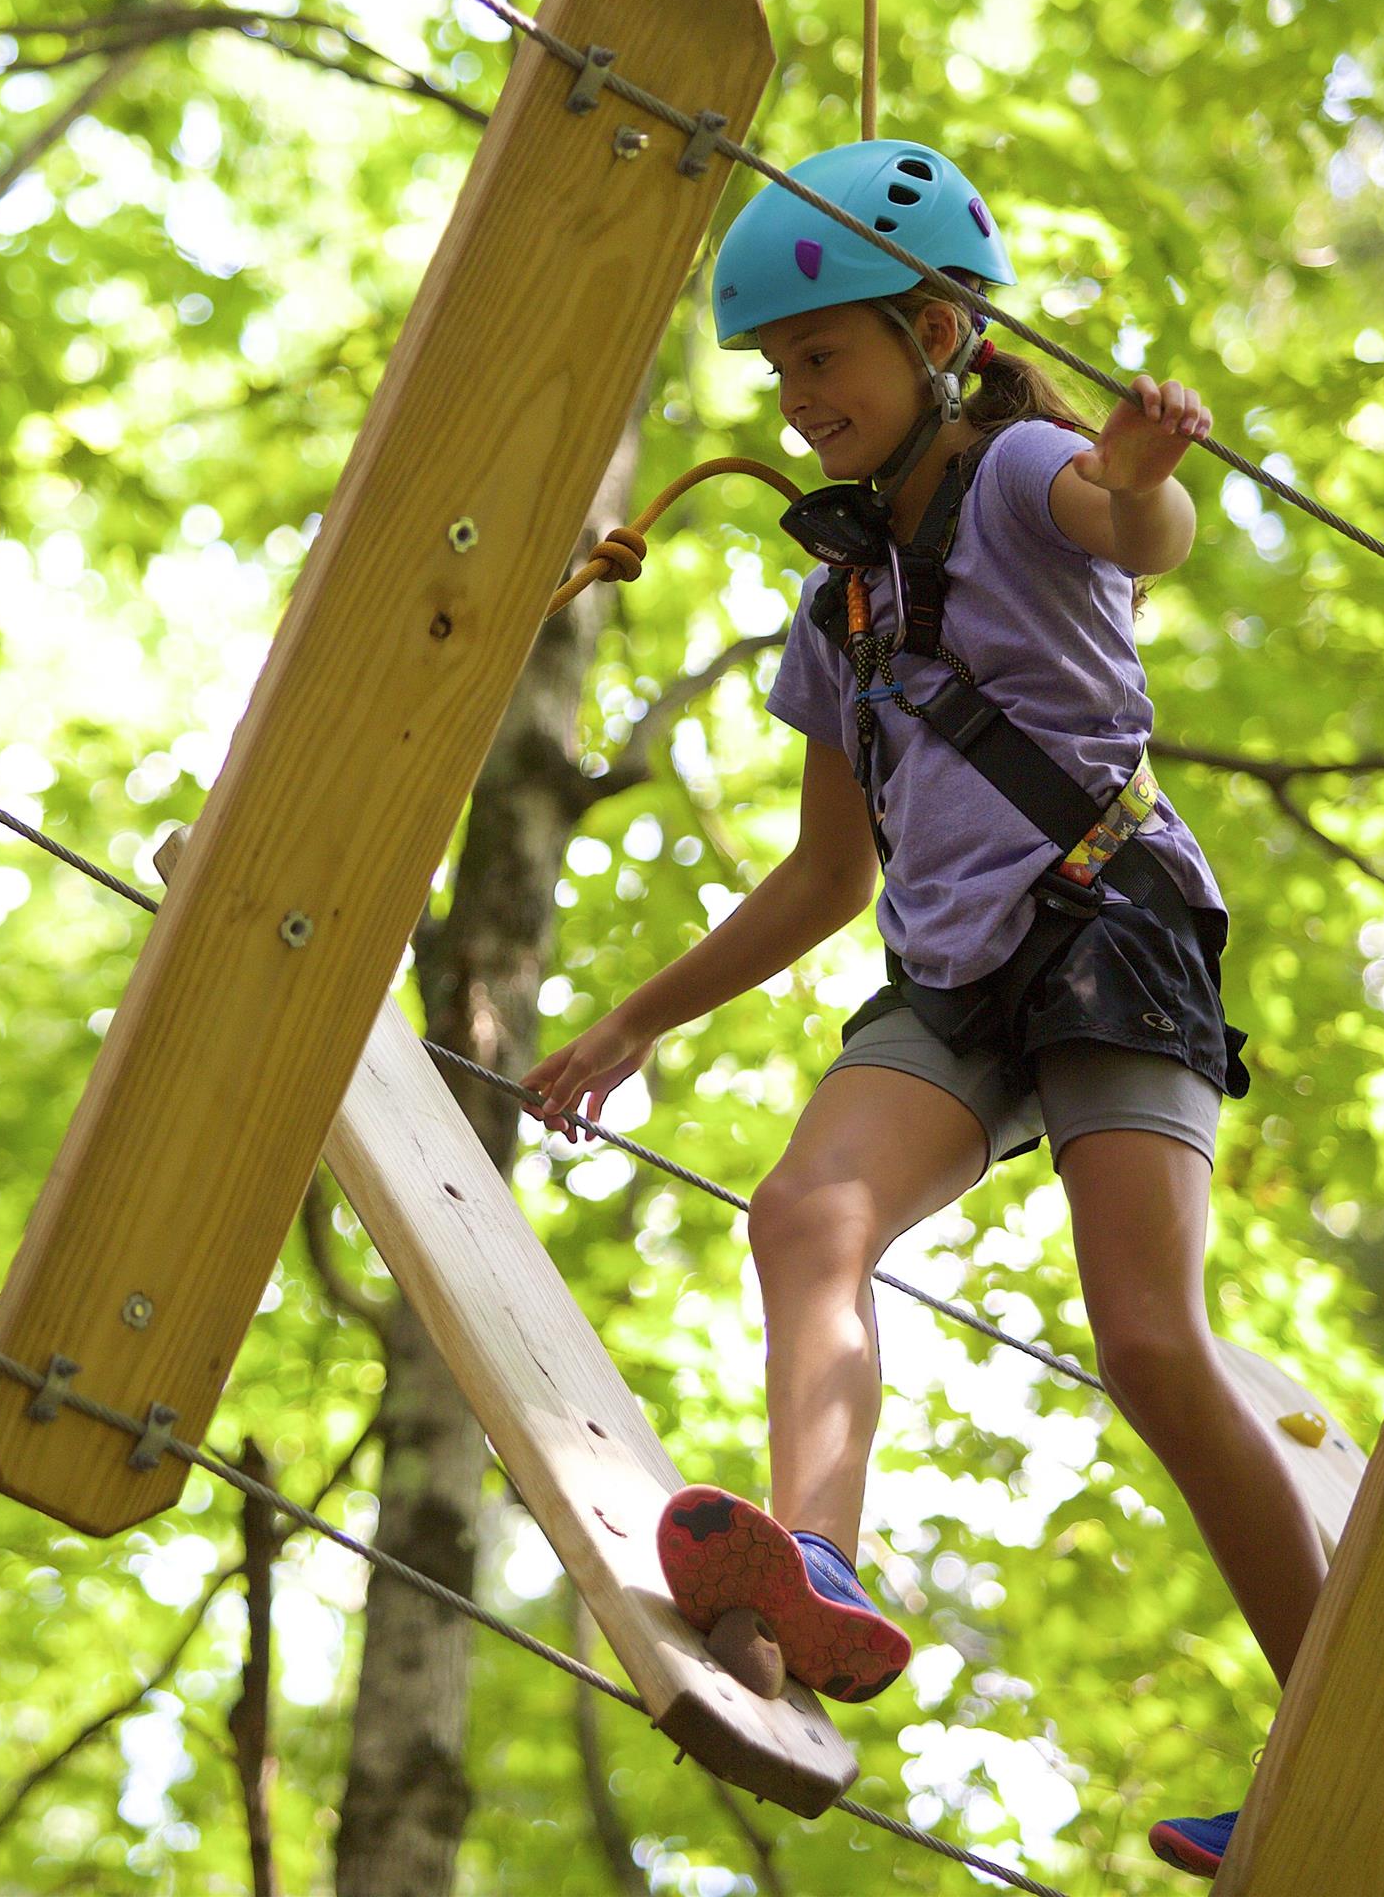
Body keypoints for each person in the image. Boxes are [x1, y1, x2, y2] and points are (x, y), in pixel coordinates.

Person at [522, 139, 1327, 1880]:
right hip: (953, 976)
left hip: (1111, 928)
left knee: (1148, 1341)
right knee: (807, 1212)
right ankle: (816, 1568)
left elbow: (1136, 530)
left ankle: (1338, 1745)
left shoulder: (1028, 464)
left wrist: (1138, 476)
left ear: (938, 328)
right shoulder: (838, 609)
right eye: (782, 370)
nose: (801, 396)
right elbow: (825, 875)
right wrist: (641, 1018)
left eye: (828, 356)